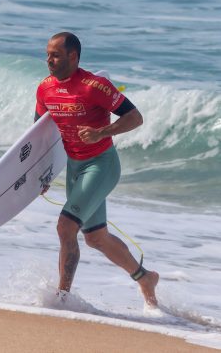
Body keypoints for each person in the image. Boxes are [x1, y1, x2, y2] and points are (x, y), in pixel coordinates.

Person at [34, 32, 159, 307]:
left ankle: (62, 297)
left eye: (55, 55)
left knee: (66, 227)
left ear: (73, 56)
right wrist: (42, 172)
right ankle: (144, 277)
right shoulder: (45, 89)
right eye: (47, 54)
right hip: (74, 167)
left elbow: (135, 118)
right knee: (96, 238)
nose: (49, 60)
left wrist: (102, 131)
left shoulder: (95, 86)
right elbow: (40, 136)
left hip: (101, 165)